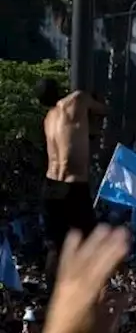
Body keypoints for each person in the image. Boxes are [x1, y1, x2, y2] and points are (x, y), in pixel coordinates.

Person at [38, 78, 107, 279]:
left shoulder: (48, 119)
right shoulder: (77, 100)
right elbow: (104, 110)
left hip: (50, 185)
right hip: (73, 184)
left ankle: (52, 292)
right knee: (88, 242)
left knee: (56, 247)